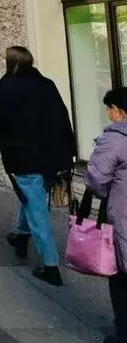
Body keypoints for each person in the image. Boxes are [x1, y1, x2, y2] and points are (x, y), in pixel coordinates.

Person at [0, 46, 75, 287]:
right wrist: (69, 152)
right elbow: (63, 117)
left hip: (25, 157)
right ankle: (20, 234)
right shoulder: (47, 85)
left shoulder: (8, 89)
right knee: (32, 197)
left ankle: (51, 265)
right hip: (54, 156)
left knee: (36, 207)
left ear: (10, 63)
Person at [85, 88, 127, 343]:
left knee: (121, 276)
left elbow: (97, 180)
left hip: (123, 214)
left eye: (108, 108)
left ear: (117, 110)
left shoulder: (114, 139)